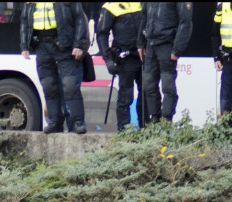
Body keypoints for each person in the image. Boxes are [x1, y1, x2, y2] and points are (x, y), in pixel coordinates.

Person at [21, 2, 89, 134]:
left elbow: (79, 18)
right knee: (48, 86)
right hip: (42, 46)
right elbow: (24, 20)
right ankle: (55, 122)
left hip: (63, 45)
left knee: (70, 85)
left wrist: (79, 44)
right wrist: (24, 45)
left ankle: (78, 122)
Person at [141, 1, 193, 124]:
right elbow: (144, 17)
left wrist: (177, 49)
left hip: (167, 44)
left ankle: (166, 119)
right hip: (150, 44)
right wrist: (140, 43)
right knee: (148, 84)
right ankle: (154, 118)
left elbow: (186, 22)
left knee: (168, 86)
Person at [98, 2, 145, 132]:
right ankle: (124, 131)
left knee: (147, 94)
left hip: (144, 56)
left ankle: (146, 129)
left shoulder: (142, 3)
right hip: (126, 57)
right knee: (125, 96)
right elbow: (102, 34)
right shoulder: (110, 6)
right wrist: (108, 59)